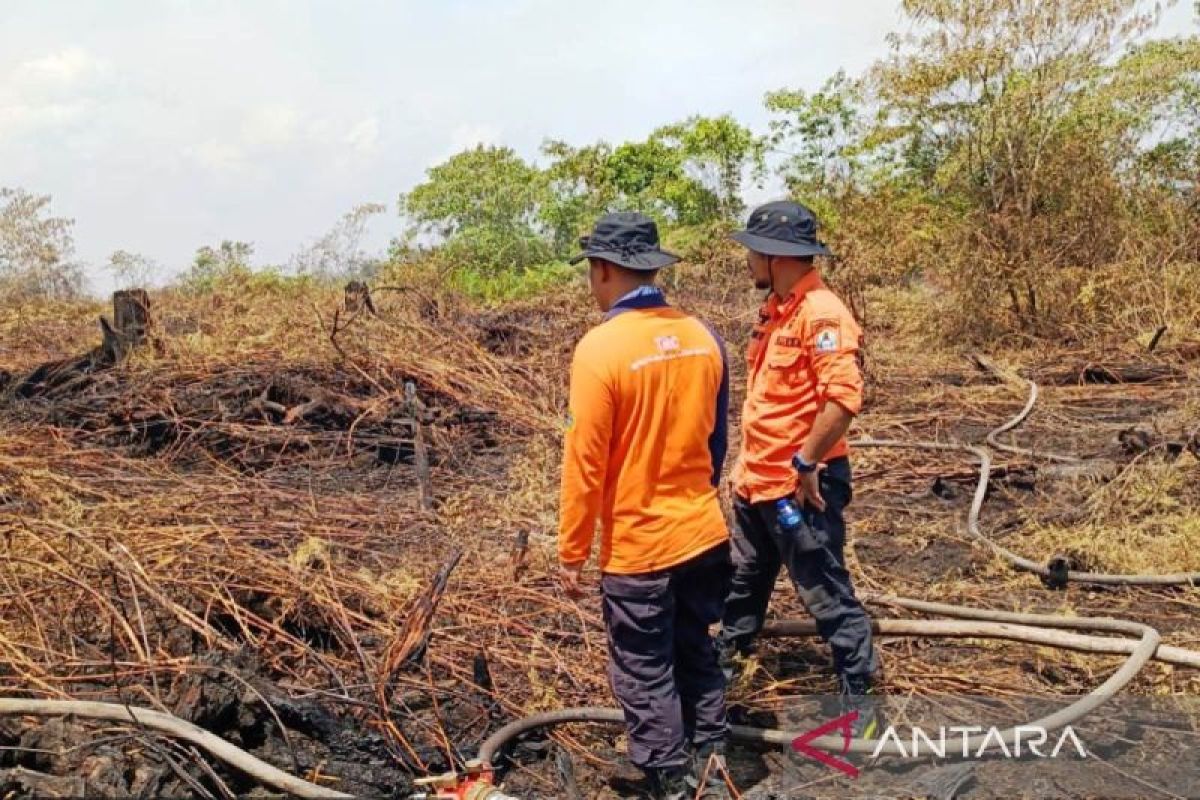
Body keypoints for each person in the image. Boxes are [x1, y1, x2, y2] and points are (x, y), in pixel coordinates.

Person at [558, 212, 734, 799]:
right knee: (696, 646)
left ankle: (670, 780)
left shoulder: (599, 349)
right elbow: (715, 443)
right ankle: (713, 755)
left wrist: (572, 552)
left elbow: (585, 464)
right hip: (705, 532)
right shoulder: (702, 335)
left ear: (604, 269)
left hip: (641, 548)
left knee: (643, 666)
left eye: (591, 270)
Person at [717, 200, 882, 738]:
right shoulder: (777, 309)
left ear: (774, 255)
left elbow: (843, 396)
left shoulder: (822, 312)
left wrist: (808, 460)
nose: (747, 261)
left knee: (824, 592)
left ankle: (860, 703)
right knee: (741, 588)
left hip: (797, 487)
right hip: (757, 484)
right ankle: (723, 680)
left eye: (752, 252)